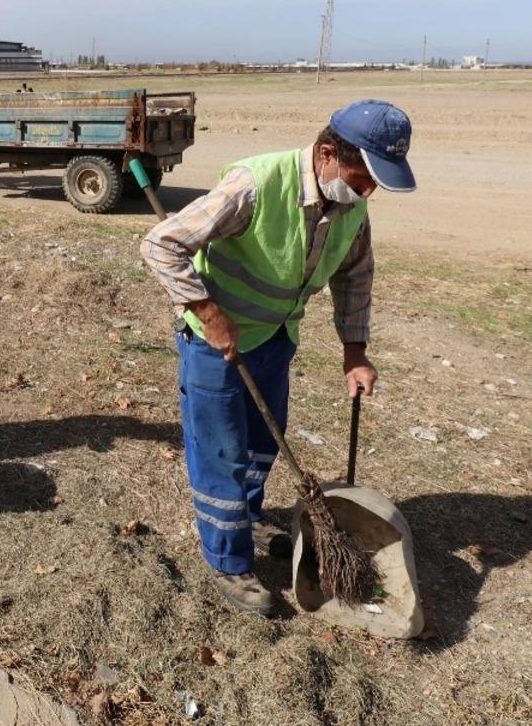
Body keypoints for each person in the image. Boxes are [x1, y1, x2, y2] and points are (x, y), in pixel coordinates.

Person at [140, 99, 416, 616]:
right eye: (363, 179)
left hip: (274, 338)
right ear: (328, 154)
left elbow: (355, 276)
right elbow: (161, 244)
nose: (368, 193)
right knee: (221, 453)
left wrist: (355, 352)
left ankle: (245, 520)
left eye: (376, 183)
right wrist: (205, 308)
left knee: (263, 444)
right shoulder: (254, 184)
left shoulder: (351, 207)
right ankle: (228, 561)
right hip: (213, 344)